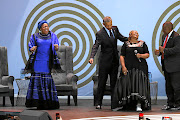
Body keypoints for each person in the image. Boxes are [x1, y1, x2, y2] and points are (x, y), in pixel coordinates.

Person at [89, 16, 128, 110]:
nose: (110, 27)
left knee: (114, 83)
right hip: (104, 62)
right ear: (104, 24)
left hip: (114, 61)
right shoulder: (100, 33)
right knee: (102, 82)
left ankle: (114, 103)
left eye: (111, 25)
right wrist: (91, 57)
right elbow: (96, 45)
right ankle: (98, 103)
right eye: (108, 26)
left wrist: (131, 39)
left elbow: (121, 38)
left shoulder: (115, 29)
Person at [25, 20, 61, 109]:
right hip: (37, 61)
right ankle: (37, 103)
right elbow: (31, 47)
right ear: (40, 28)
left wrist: (56, 47)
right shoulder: (34, 36)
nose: (46, 28)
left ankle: (47, 103)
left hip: (47, 62)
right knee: (37, 81)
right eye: (44, 27)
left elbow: (56, 47)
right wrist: (32, 48)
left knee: (46, 80)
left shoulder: (53, 36)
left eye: (47, 26)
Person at [113, 30, 151, 111]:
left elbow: (147, 54)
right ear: (130, 35)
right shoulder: (126, 44)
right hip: (128, 68)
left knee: (139, 86)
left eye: (137, 33)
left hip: (140, 68)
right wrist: (123, 67)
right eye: (135, 33)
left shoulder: (142, 44)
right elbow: (122, 56)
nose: (137, 34)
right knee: (128, 85)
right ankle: (128, 104)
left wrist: (141, 55)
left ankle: (139, 104)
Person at [155, 21, 180, 110]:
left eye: (163, 28)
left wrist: (164, 50)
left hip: (175, 66)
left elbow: (177, 49)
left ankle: (178, 104)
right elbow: (163, 48)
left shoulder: (177, 37)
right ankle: (170, 103)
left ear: (167, 28)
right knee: (168, 86)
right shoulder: (164, 36)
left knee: (176, 86)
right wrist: (159, 52)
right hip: (166, 66)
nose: (162, 30)